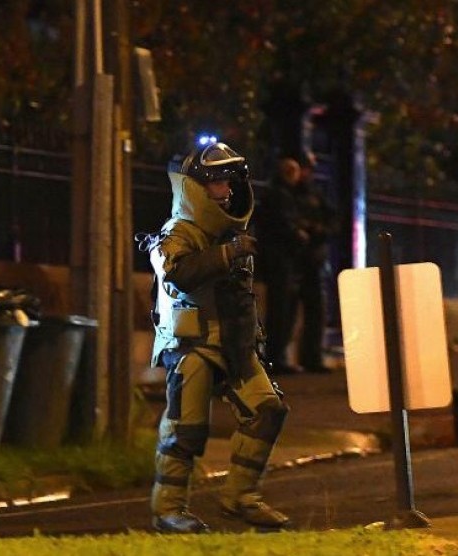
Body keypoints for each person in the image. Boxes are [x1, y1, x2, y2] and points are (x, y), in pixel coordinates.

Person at [142, 141, 290, 533]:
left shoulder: (230, 231)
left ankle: (242, 498)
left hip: (236, 344)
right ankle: (168, 510)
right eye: (216, 183)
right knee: (185, 430)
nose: (225, 191)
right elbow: (177, 271)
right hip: (193, 346)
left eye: (227, 181)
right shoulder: (179, 231)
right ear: (195, 187)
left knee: (267, 410)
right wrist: (227, 254)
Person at [255, 155, 309, 375]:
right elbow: (285, 227)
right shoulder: (281, 196)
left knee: (279, 309)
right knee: (282, 311)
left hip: (274, 260)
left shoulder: (272, 194)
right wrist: (301, 235)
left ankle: (275, 355)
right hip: (282, 260)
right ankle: (277, 357)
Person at [293, 151, 338, 373]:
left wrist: (320, 230)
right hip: (294, 260)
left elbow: (332, 219)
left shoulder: (315, 193)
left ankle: (312, 356)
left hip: (314, 258)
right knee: (287, 313)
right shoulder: (287, 193)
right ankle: (288, 358)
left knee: (316, 311)